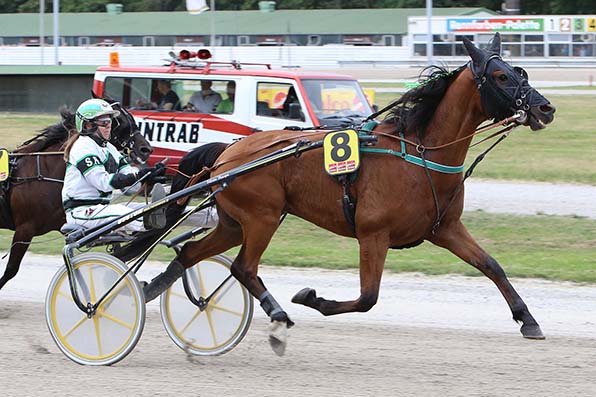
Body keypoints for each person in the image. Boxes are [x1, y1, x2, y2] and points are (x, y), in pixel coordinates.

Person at [62, 98, 166, 233]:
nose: (109, 127)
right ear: (88, 125)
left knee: (157, 208)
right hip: (82, 213)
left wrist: (149, 177)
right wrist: (137, 176)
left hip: (102, 209)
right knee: (123, 211)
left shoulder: (109, 148)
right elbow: (103, 182)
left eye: (110, 122)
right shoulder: (82, 147)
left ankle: (196, 216)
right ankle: (151, 222)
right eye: (104, 123)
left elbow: (131, 184)